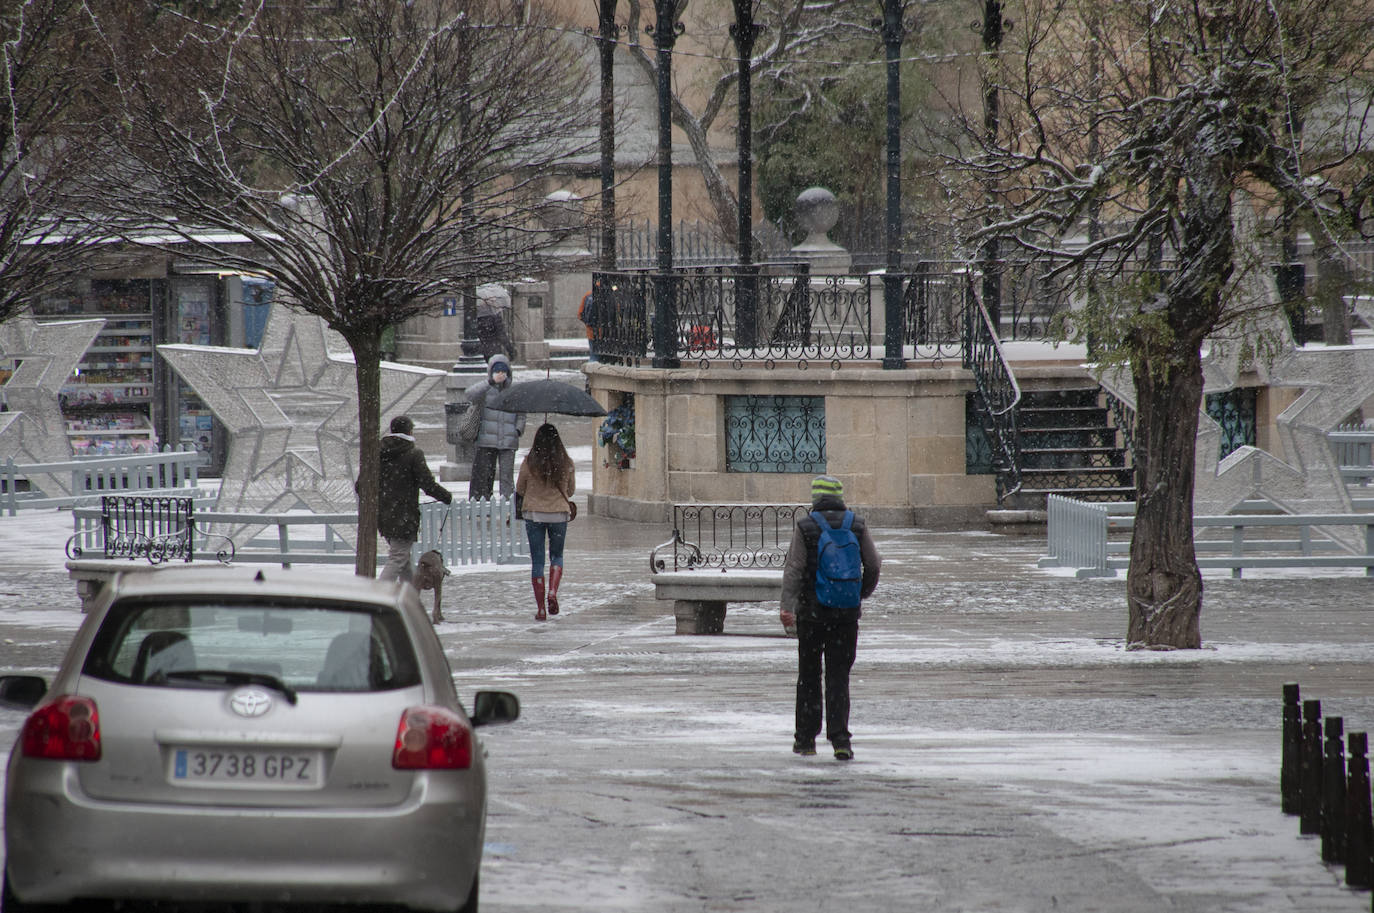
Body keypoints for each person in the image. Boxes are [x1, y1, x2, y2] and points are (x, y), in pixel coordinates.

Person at [779, 475, 881, 761]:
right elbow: (873, 563)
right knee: (839, 676)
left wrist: (788, 606)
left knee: (809, 676)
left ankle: (805, 739)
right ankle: (840, 740)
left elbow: (794, 569)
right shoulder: (856, 524)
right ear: (839, 496)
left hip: (812, 615)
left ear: (816, 498)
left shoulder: (806, 526)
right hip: (846, 615)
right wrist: (860, 593)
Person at [373, 415, 453, 584]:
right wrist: (445, 496)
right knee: (398, 558)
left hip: (383, 514)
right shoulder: (413, 453)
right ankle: (378, 594)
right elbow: (427, 484)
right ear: (409, 431)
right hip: (403, 515)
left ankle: (410, 596)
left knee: (403, 559)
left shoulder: (377, 453)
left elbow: (361, 485)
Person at [515, 423, 575, 621]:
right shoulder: (566, 463)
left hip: (534, 515)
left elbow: (520, 489)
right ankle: (552, 592)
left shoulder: (529, 463)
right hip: (558, 514)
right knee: (557, 556)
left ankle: (541, 609)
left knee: (537, 561)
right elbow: (571, 491)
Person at [465, 353, 525, 500]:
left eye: (503, 371)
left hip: (508, 441)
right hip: (487, 440)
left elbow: (522, 413)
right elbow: (469, 395)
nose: (500, 374)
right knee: (485, 475)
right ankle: (482, 504)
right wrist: (490, 382)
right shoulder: (485, 388)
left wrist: (518, 430)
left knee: (506, 476)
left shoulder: (515, 390)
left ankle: (508, 505)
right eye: (497, 371)